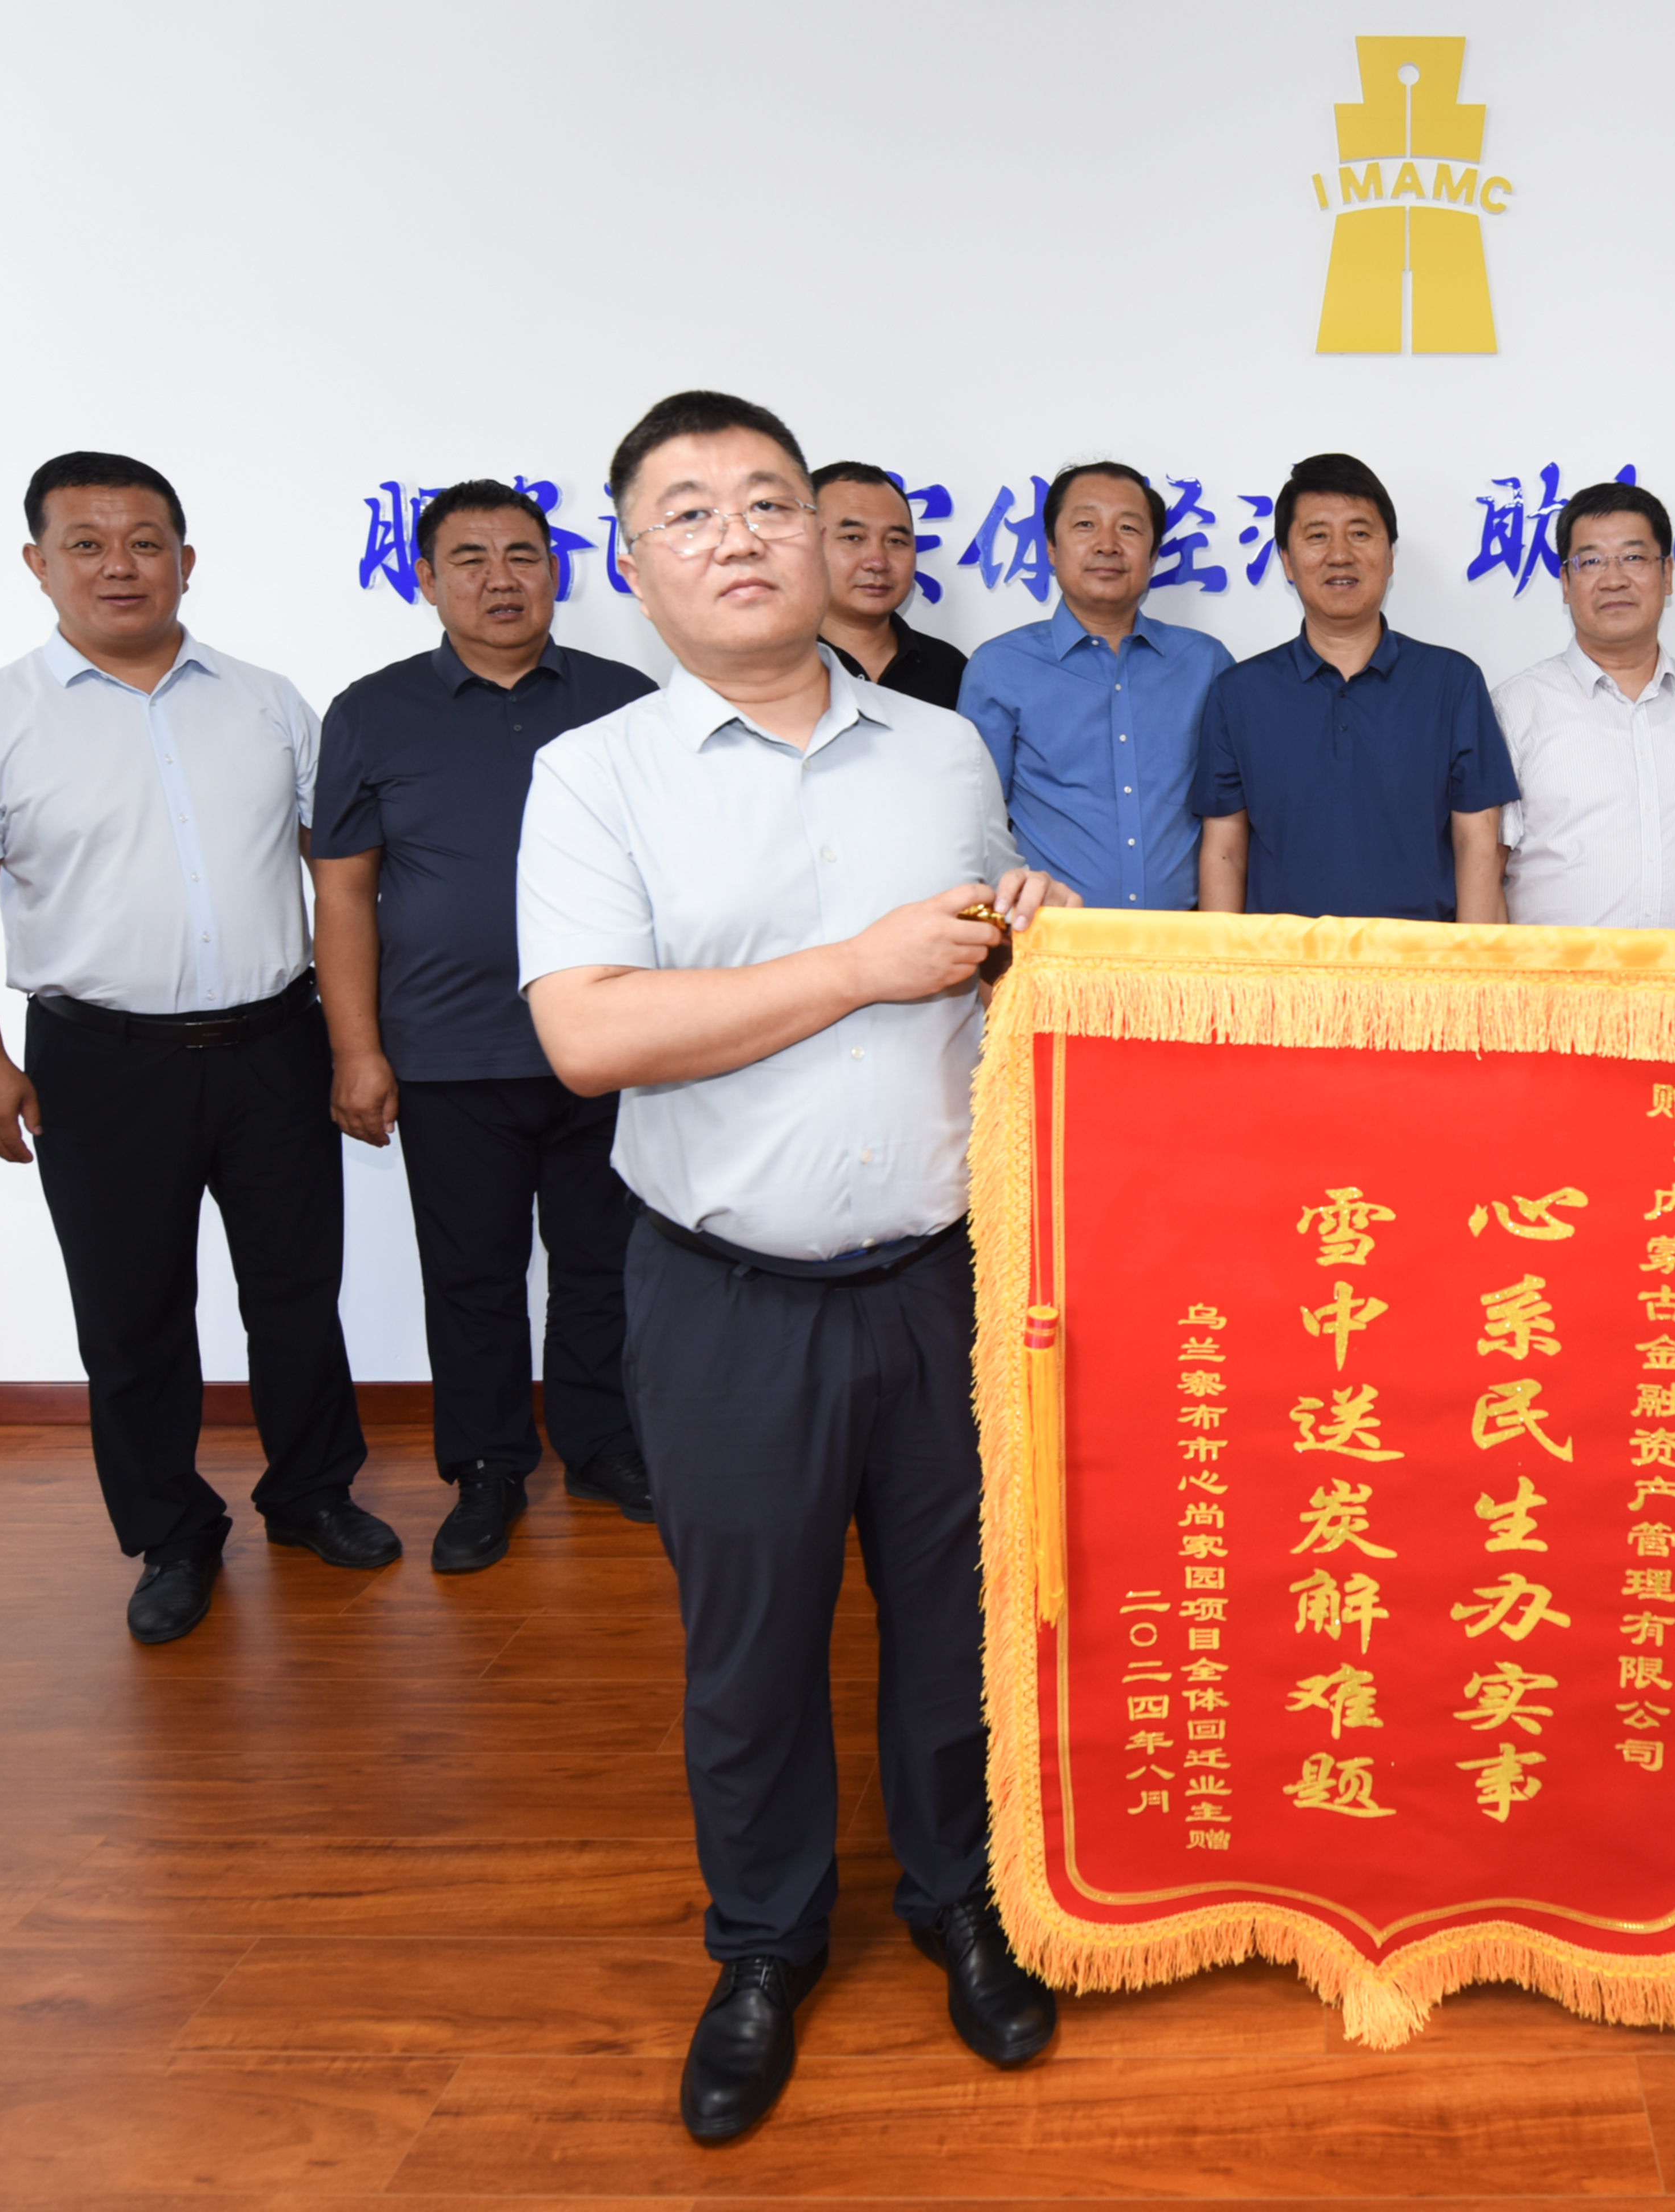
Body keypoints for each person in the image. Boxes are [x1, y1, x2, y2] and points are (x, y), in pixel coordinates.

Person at [520, 391, 1065, 2142]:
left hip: (939, 1277)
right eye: (689, 512)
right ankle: (763, 1943)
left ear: (828, 542)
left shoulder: (943, 751)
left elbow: (973, 954)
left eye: (769, 501)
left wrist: (1024, 929)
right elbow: (589, 1036)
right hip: (727, 1291)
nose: (739, 536)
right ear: (632, 564)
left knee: (956, 1628)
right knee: (749, 1649)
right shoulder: (593, 774)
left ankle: (960, 1900)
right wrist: (859, 965)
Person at [0, 452, 385, 1645]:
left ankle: (312, 1495)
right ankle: (171, 1534)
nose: (118, 566)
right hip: (99, 1061)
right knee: (130, 1316)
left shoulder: (268, 701)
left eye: (144, 542)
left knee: (297, 1293)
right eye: (86, 543)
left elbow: (340, 880)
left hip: (274, 1042)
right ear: (39, 564)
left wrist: (353, 1042)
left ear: (185, 559)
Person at [310, 480, 660, 1575]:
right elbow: (343, 891)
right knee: (472, 1277)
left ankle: (602, 1445)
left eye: (523, 555)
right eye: (470, 558)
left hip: (607, 1041)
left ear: (556, 571)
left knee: (605, 1263)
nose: (500, 580)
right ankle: (486, 1468)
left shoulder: (627, 700)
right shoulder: (370, 711)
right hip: (449, 1052)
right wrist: (356, 1049)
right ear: (425, 578)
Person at [1192, 452, 1516, 921]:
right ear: (1287, 560)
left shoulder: (1452, 682)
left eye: (1360, 534)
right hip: (1283, 962)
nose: (1340, 554)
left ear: (1390, 557)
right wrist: (1223, 963)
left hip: (1419, 959)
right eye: (1317, 536)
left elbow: (1477, 845)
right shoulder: (1239, 693)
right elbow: (1224, 853)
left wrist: (1472, 964)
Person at [958, 461, 1234, 909]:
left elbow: (1230, 817)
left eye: (1129, 528)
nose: (1107, 545)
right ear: (1051, 548)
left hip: (1181, 938)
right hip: (1051, 936)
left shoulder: (1206, 664)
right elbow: (976, 825)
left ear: (1153, 555)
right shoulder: (999, 668)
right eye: (1086, 525)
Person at [1488, 480, 1675, 931]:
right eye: (1591, 561)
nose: (1614, 580)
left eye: (1633, 558)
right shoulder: (1515, 709)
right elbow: (1486, 867)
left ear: (1667, 574)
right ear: (1566, 582)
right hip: (1558, 972)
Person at [807, 460, 968, 709]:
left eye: (895, 541)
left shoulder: (951, 670)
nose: (877, 562)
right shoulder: (766, 667)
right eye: (853, 537)